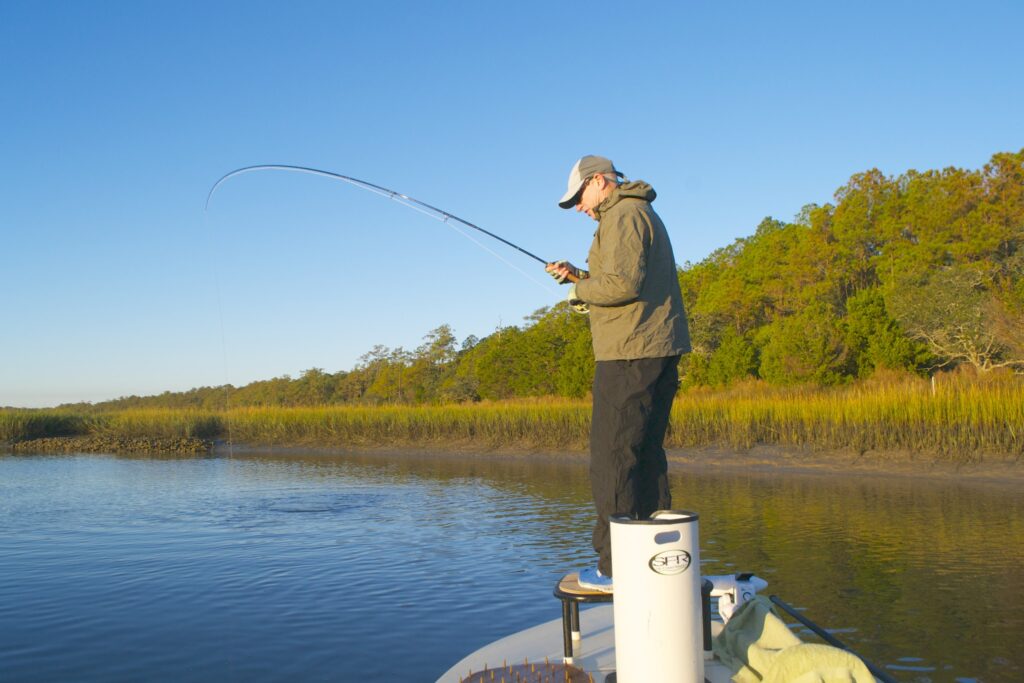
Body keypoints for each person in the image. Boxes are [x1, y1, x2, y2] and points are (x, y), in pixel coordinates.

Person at [546, 155, 691, 592]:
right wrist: (581, 276)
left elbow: (622, 286)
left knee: (611, 457)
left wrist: (578, 290)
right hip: (651, 348)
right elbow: (624, 280)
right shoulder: (635, 211)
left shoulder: (623, 214)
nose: (577, 207)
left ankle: (615, 566)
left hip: (629, 353)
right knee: (643, 453)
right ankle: (651, 553)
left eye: (578, 196)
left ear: (598, 182)